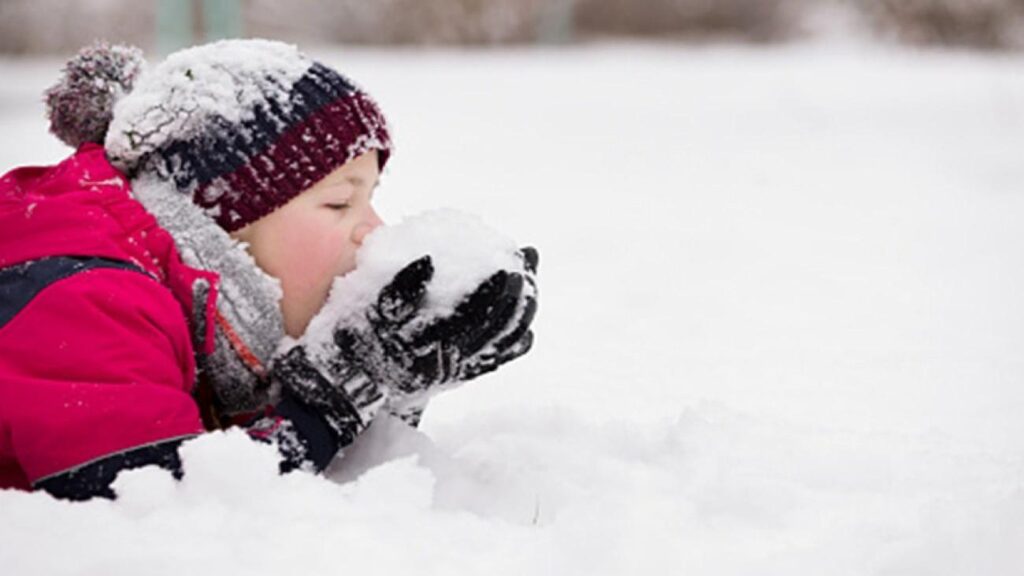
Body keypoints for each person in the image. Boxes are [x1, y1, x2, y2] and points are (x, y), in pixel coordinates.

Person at [0, 39, 538, 501]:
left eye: (371, 198)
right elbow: (151, 510)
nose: (372, 228)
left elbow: (253, 452)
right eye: (338, 204)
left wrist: (394, 385)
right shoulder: (85, 297)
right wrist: (340, 392)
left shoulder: (197, 300)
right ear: (216, 225)